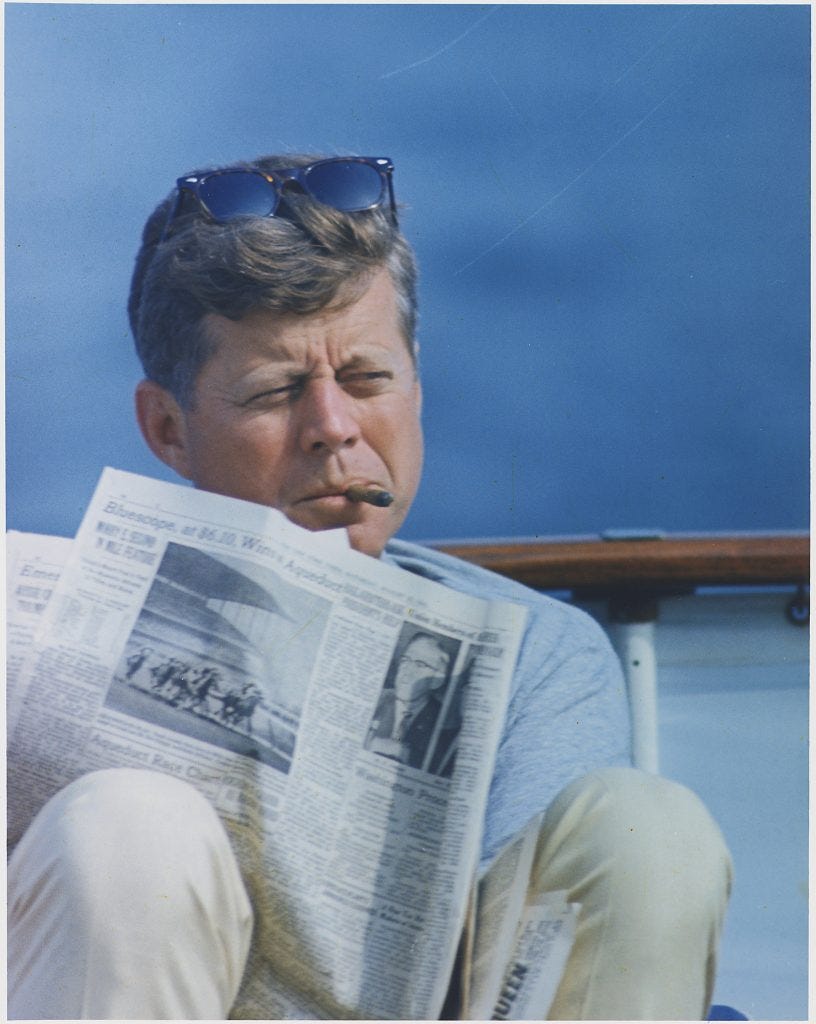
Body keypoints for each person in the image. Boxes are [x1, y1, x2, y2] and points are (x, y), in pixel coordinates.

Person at [7, 153, 732, 1019]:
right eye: (276, 391)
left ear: (416, 382)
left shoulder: (538, 656)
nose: (335, 428)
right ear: (168, 429)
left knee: (646, 828)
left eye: (367, 379)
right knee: (124, 827)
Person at [365, 631, 459, 774]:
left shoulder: (445, 723)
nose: (407, 670)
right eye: (405, 660)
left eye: (420, 664)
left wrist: (405, 753)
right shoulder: (375, 699)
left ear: (437, 680)